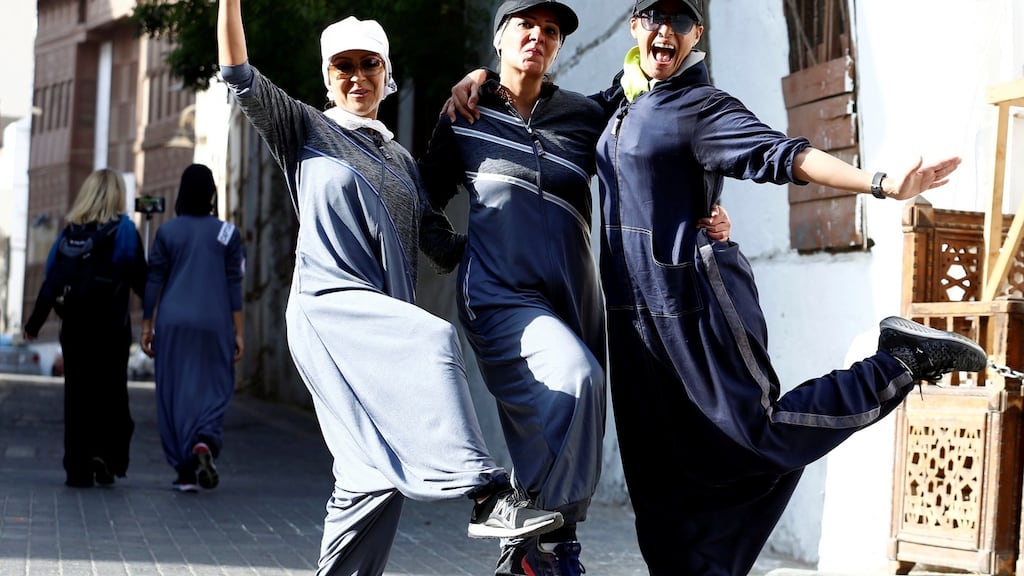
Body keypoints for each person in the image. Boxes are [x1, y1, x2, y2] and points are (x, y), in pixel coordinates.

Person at [449, 1, 989, 574]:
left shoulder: (700, 105)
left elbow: (785, 155)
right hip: (632, 323)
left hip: (694, 305)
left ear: (695, 34)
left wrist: (879, 183)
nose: (665, 29)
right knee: (660, 481)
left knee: (755, 436)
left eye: (679, 21)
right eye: (653, 16)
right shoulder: (618, 102)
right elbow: (545, 109)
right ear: (635, 26)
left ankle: (897, 362)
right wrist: (482, 76)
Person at [215, 1, 568, 573]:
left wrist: (530, 247)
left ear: (387, 73)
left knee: (370, 480)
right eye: (343, 66)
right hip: (331, 313)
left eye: (368, 64)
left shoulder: (400, 158)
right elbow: (238, 73)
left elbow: (444, 244)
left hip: (381, 320)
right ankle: (484, 496)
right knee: (432, 340)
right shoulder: (303, 127)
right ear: (327, 77)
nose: (357, 76)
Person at [23, 168, 147, 488]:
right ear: (117, 196)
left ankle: (77, 468)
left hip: (74, 329)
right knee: (112, 395)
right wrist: (154, 310)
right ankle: (105, 456)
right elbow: (138, 277)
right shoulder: (123, 231)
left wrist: (34, 324)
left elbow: (51, 281)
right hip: (110, 328)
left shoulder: (69, 234)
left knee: (76, 397)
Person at [140, 163, 246, 493]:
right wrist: (238, 331)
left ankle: (185, 470)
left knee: (174, 391)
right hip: (214, 321)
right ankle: (205, 439)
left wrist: (147, 325)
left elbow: (154, 278)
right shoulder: (227, 233)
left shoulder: (167, 232)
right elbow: (234, 283)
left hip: (173, 321)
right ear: (212, 194)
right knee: (216, 384)